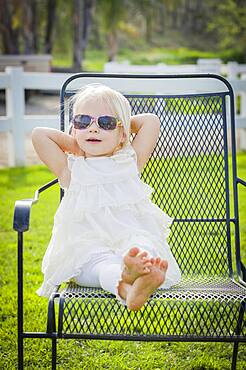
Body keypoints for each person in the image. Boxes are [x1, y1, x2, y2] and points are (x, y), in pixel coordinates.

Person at [32, 83, 181, 311]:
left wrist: (120, 132)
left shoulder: (129, 161)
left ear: (123, 133)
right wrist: (77, 144)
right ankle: (126, 287)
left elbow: (151, 120)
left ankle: (137, 276)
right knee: (102, 267)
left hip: (129, 239)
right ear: (74, 128)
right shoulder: (71, 169)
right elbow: (39, 135)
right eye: (83, 121)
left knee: (142, 248)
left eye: (106, 122)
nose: (93, 129)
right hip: (87, 248)